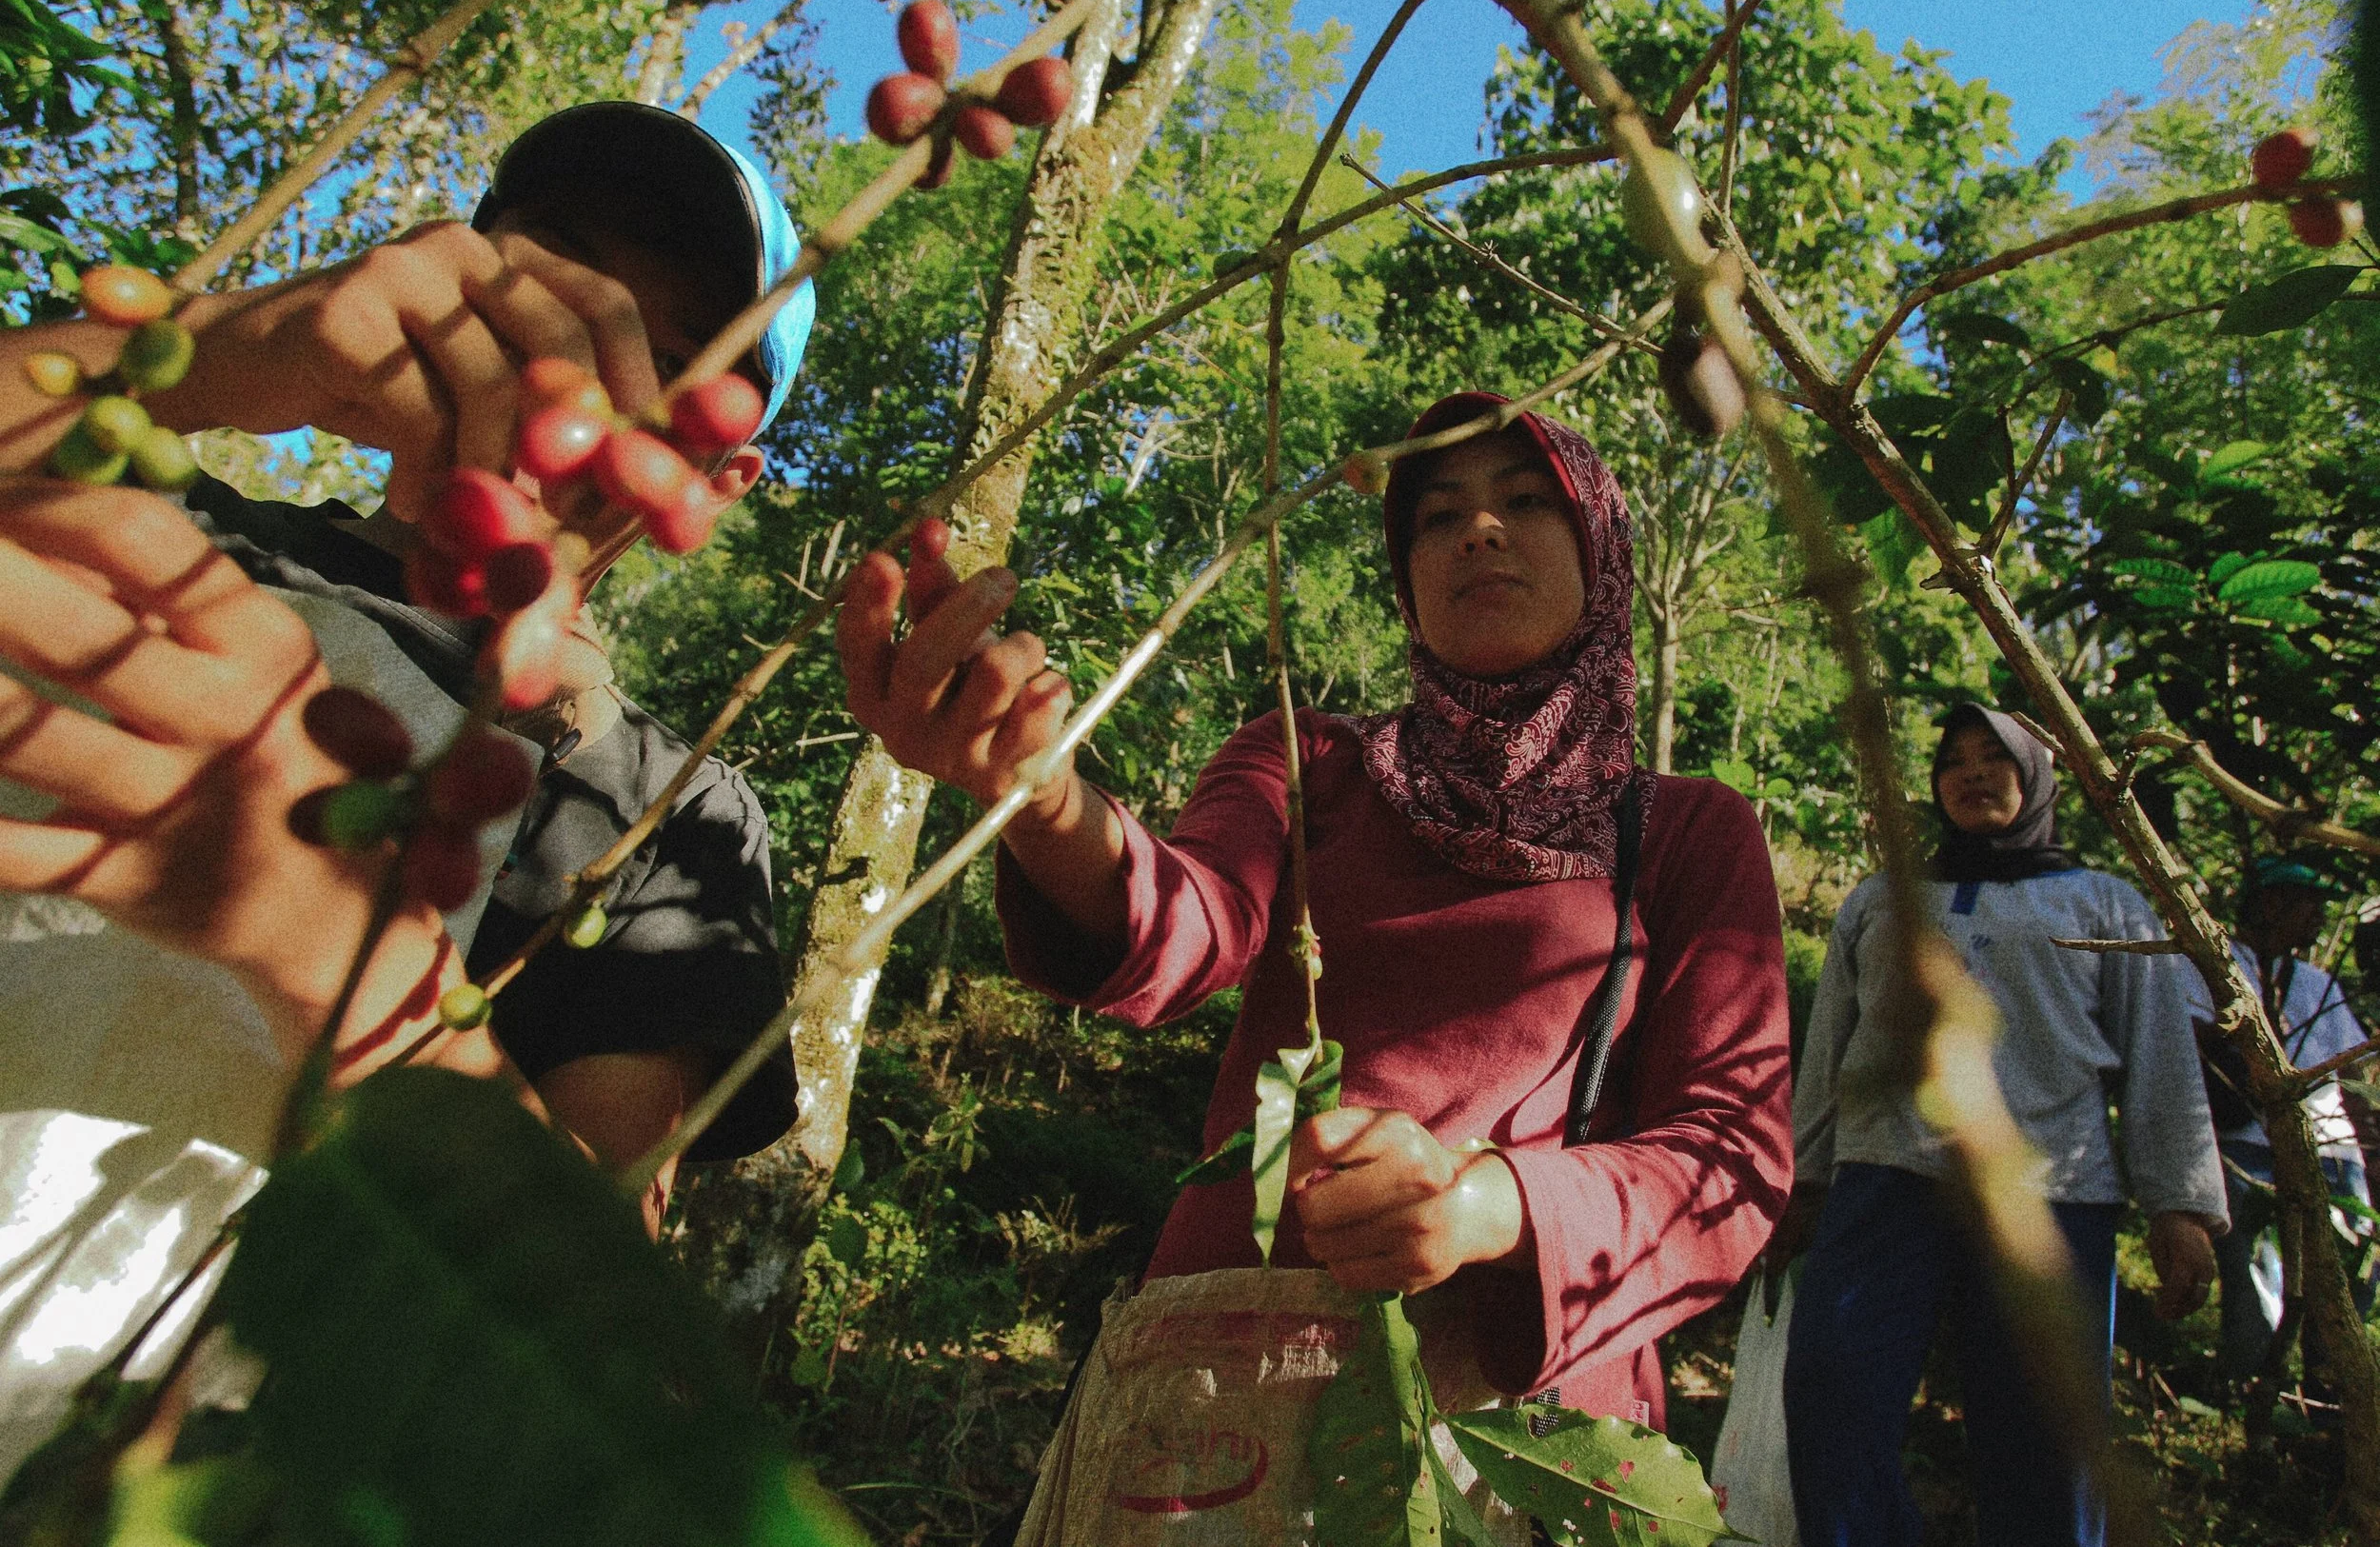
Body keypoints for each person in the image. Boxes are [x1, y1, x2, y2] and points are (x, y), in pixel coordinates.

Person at [0, 103, 808, 1478]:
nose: (565, 377)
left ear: (717, 483)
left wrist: (337, 948)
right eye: (536, 290)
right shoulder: (167, 527)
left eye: (654, 362)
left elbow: (590, 1295)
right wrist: (207, 353)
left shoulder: (661, 808)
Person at [841, 391, 1792, 1431]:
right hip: (1220, 1391)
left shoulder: (1691, 830)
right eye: (1436, 514)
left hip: (1521, 1429)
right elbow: (1188, 920)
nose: (1478, 528)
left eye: (1526, 500)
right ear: (1404, 576)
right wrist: (1041, 797)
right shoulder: (1311, 759)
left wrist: (1487, 1206)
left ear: (1603, 544)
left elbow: (1730, 1163)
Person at [1776, 704, 2227, 1547]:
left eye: (1997, 758)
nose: (1974, 773)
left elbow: (2162, 1060)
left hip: (2047, 1195)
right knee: (1832, 1398)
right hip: (1885, 1186)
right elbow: (1831, 1050)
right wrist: (1806, 1180)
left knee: (2044, 1438)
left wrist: (2182, 1204)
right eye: (1955, 759)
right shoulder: (1881, 900)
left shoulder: (2108, 905)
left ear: (2038, 777)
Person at [2192, 856, 2376, 1381]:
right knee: (2254, 1269)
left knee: (2348, 1266)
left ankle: (2330, 1386)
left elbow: (2352, 1074)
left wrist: (2369, 1150)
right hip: (2248, 1148)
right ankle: (2257, 1388)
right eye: (2308, 905)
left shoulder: (2318, 984)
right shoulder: (2214, 966)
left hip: (2328, 1148)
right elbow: (2194, 1045)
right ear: (2271, 904)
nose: (2318, 916)